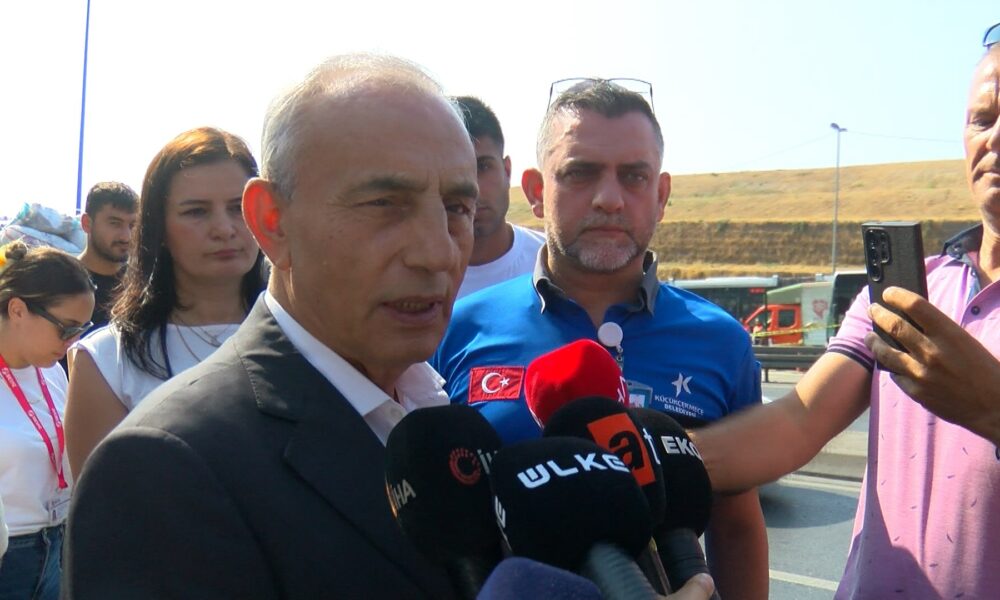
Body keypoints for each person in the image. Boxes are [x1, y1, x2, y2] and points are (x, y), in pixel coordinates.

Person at [432, 78, 769, 600]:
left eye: (634, 177)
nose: (609, 199)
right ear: (536, 191)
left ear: (661, 196)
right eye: (580, 173)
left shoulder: (722, 341)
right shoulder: (457, 328)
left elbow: (737, 525)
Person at [690, 35, 1000, 599]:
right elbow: (796, 423)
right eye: (983, 118)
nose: (994, 137)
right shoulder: (909, 291)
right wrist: (652, 458)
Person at [63, 127, 265, 480]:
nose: (224, 228)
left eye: (238, 208)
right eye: (196, 211)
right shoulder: (108, 360)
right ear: (159, 228)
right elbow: (102, 503)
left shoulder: (314, 338)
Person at [0, 242, 95, 600]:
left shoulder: (53, 370)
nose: (74, 341)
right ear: (17, 310)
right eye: (66, 328)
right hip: (8, 554)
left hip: (56, 546)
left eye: (82, 329)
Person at [453, 96, 544, 299]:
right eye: (457, 172)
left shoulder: (552, 266)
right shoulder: (414, 277)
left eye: (483, 167)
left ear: (507, 170)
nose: (474, 188)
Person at [77, 182, 138, 329]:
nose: (126, 237)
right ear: (87, 223)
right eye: (115, 223)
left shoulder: (141, 285)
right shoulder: (61, 281)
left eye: (132, 225)